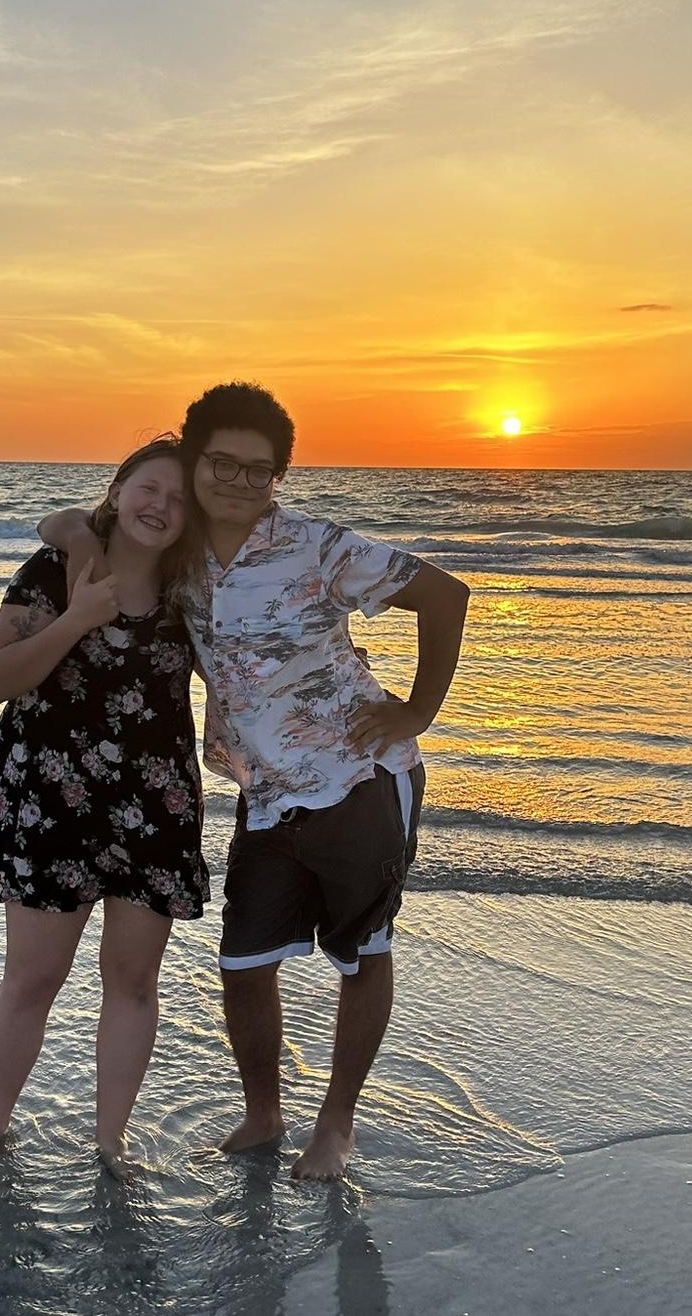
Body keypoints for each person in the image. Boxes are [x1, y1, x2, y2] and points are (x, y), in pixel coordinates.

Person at [42, 383, 469, 1181]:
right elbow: (75, 523)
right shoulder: (179, 552)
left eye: (259, 471)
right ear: (194, 461)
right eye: (223, 464)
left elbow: (446, 595)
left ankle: (335, 1126)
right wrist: (69, 531)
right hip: (265, 793)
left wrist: (416, 710)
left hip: (361, 779)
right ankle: (265, 1112)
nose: (238, 482)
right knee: (243, 964)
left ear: (280, 478)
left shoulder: (317, 547)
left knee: (363, 953)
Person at [0, 437, 208, 1179]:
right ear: (120, 486)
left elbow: (238, 669)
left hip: (155, 806)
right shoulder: (53, 570)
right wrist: (78, 616)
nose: (160, 507)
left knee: (133, 982)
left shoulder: (189, 589)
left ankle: (110, 1143)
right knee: (35, 978)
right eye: (149, 488)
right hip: (51, 803)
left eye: (178, 499)